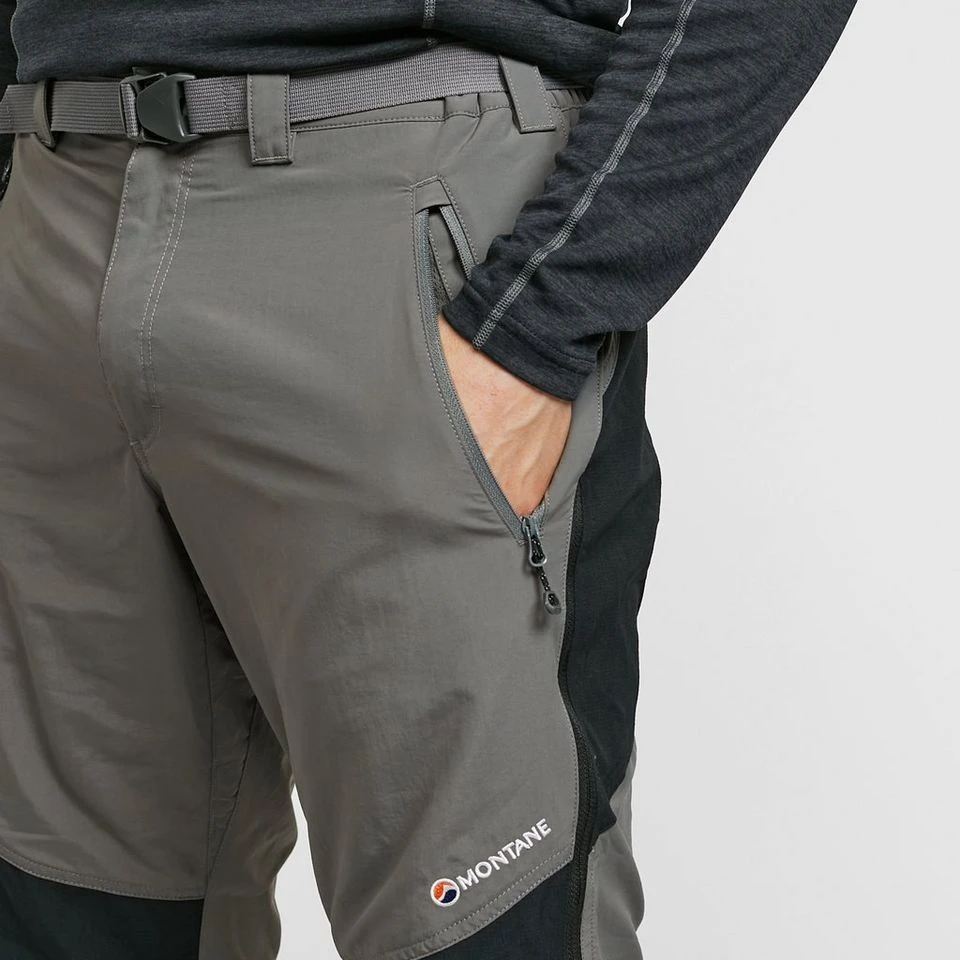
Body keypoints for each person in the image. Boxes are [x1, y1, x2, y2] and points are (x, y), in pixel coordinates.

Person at [0, 2, 858, 958]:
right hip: (51, 220)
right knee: (64, 907)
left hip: (395, 221)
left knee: (479, 924)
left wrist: (539, 324)